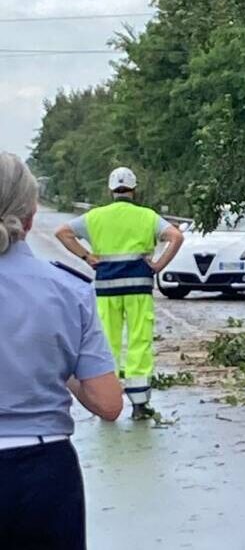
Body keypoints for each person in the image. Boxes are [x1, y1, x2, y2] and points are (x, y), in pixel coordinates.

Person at [0, 152, 123, 549]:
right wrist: (61, 366)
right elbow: (108, 404)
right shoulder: (69, 290)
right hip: (43, 475)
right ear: (31, 215)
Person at [56, 167, 184, 420]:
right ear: (134, 190)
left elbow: (62, 233)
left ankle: (108, 400)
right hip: (138, 287)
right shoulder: (147, 216)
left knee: (107, 342)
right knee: (139, 340)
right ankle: (140, 403)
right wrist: (158, 265)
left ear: (110, 190)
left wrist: (87, 257)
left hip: (106, 288)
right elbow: (176, 237)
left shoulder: (95, 217)